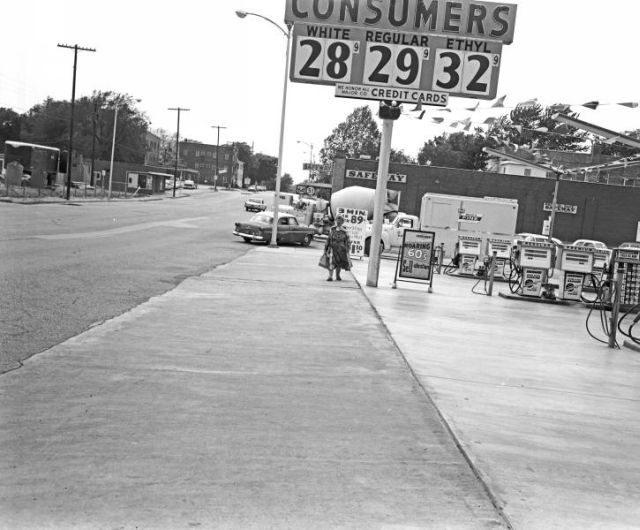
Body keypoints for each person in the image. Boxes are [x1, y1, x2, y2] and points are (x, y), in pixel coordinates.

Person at [324, 215, 351, 281]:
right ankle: (330, 276)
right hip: (333, 248)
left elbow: (348, 241)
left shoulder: (345, 231)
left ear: (342, 222)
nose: (338, 222)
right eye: (337, 220)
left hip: (341, 249)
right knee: (332, 262)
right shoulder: (332, 229)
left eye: (340, 221)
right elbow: (329, 238)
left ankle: (337, 275)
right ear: (335, 221)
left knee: (339, 263)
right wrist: (326, 247)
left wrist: (348, 249)